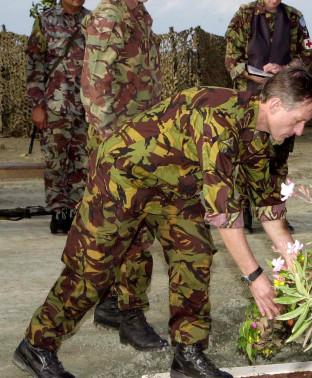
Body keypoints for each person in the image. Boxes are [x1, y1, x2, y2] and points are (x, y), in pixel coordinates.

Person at [13, 68, 312, 378]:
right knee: (93, 267)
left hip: (176, 185)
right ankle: (37, 346)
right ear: (274, 105)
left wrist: (294, 264)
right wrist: (254, 277)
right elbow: (225, 215)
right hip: (123, 173)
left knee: (195, 253)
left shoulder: (272, 136)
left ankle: (188, 355)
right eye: (298, 120)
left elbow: (269, 204)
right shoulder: (219, 118)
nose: (300, 131)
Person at [79, 0, 167, 351]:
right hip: (119, 143)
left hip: (139, 138)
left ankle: (112, 303)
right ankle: (132, 317)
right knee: (135, 233)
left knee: (125, 229)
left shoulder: (138, 14)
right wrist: (115, 146)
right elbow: (94, 87)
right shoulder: (110, 14)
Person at [225, 0, 312, 234]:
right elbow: (231, 59)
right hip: (250, 99)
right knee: (246, 155)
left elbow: (306, 56)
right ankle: (244, 213)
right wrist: (256, 75)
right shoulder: (244, 15)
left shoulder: (295, 17)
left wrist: (284, 70)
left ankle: (276, 213)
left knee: (278, 158)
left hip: (285, 100)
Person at [26, 0, 90, 234]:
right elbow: (34, 65)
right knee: (56, 160)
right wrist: (37, 105)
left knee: (83, 161)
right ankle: (59, 212)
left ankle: (76, 210)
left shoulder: (93, 22)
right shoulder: (44, 21)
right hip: (55, 105)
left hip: (86, 107)